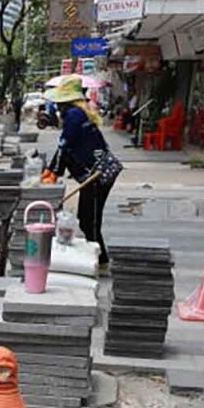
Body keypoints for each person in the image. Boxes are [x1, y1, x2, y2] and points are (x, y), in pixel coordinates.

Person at [42, 74, 120, 267]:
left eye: (59, 104)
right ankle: (99, 258)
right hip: (96, 173)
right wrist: (52, 171)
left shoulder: (74, 115)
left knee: (89, 220)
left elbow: (64, 146)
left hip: (98, 174)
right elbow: (66, 150)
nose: (57, 109)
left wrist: (51, 173)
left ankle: (101, 261)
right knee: (87, 218)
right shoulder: (77, 113)